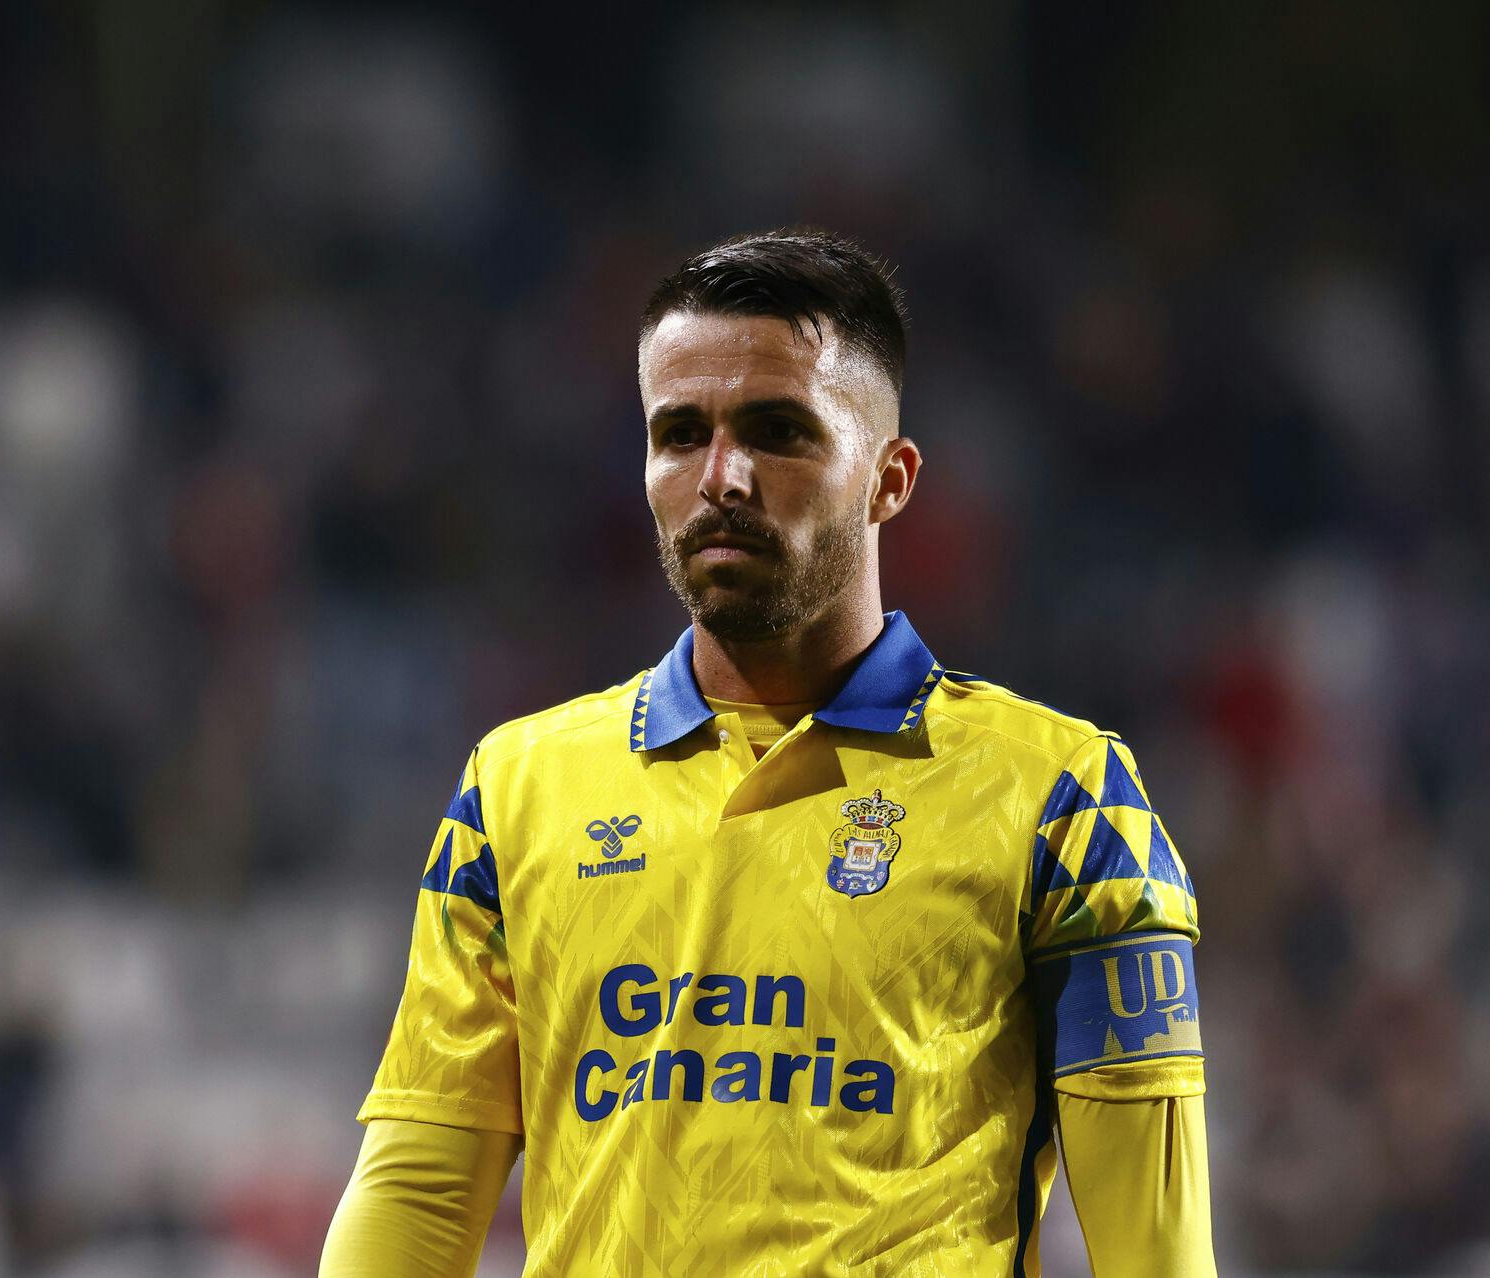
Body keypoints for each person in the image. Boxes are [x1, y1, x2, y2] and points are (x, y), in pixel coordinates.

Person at [320, 228, 1214, 1276]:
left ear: (890, 480)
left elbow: (1156, 1248)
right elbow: (419, 1192)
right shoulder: (516, 790)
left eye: (778, 431)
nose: (723, 477)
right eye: (680, 434)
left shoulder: (1063, 797)